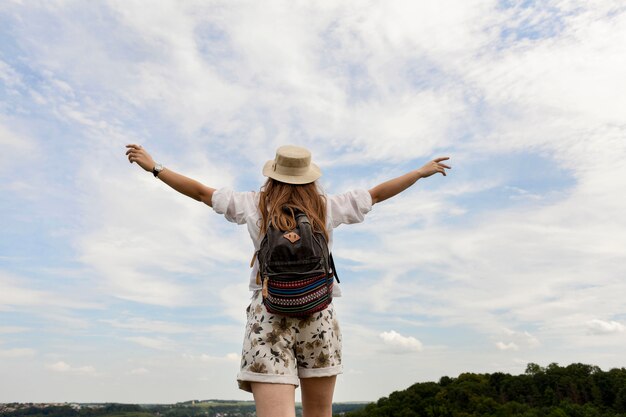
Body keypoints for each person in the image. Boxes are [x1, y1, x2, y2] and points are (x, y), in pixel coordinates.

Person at [125, 143, 451, 417]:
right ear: (309, 176)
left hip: (269, 314)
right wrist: (419, 173)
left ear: (273, 174)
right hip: (319, 313)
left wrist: (156, 168)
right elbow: (377, 194)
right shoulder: (326, 207)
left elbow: (199, 193)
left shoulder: (253, 204)